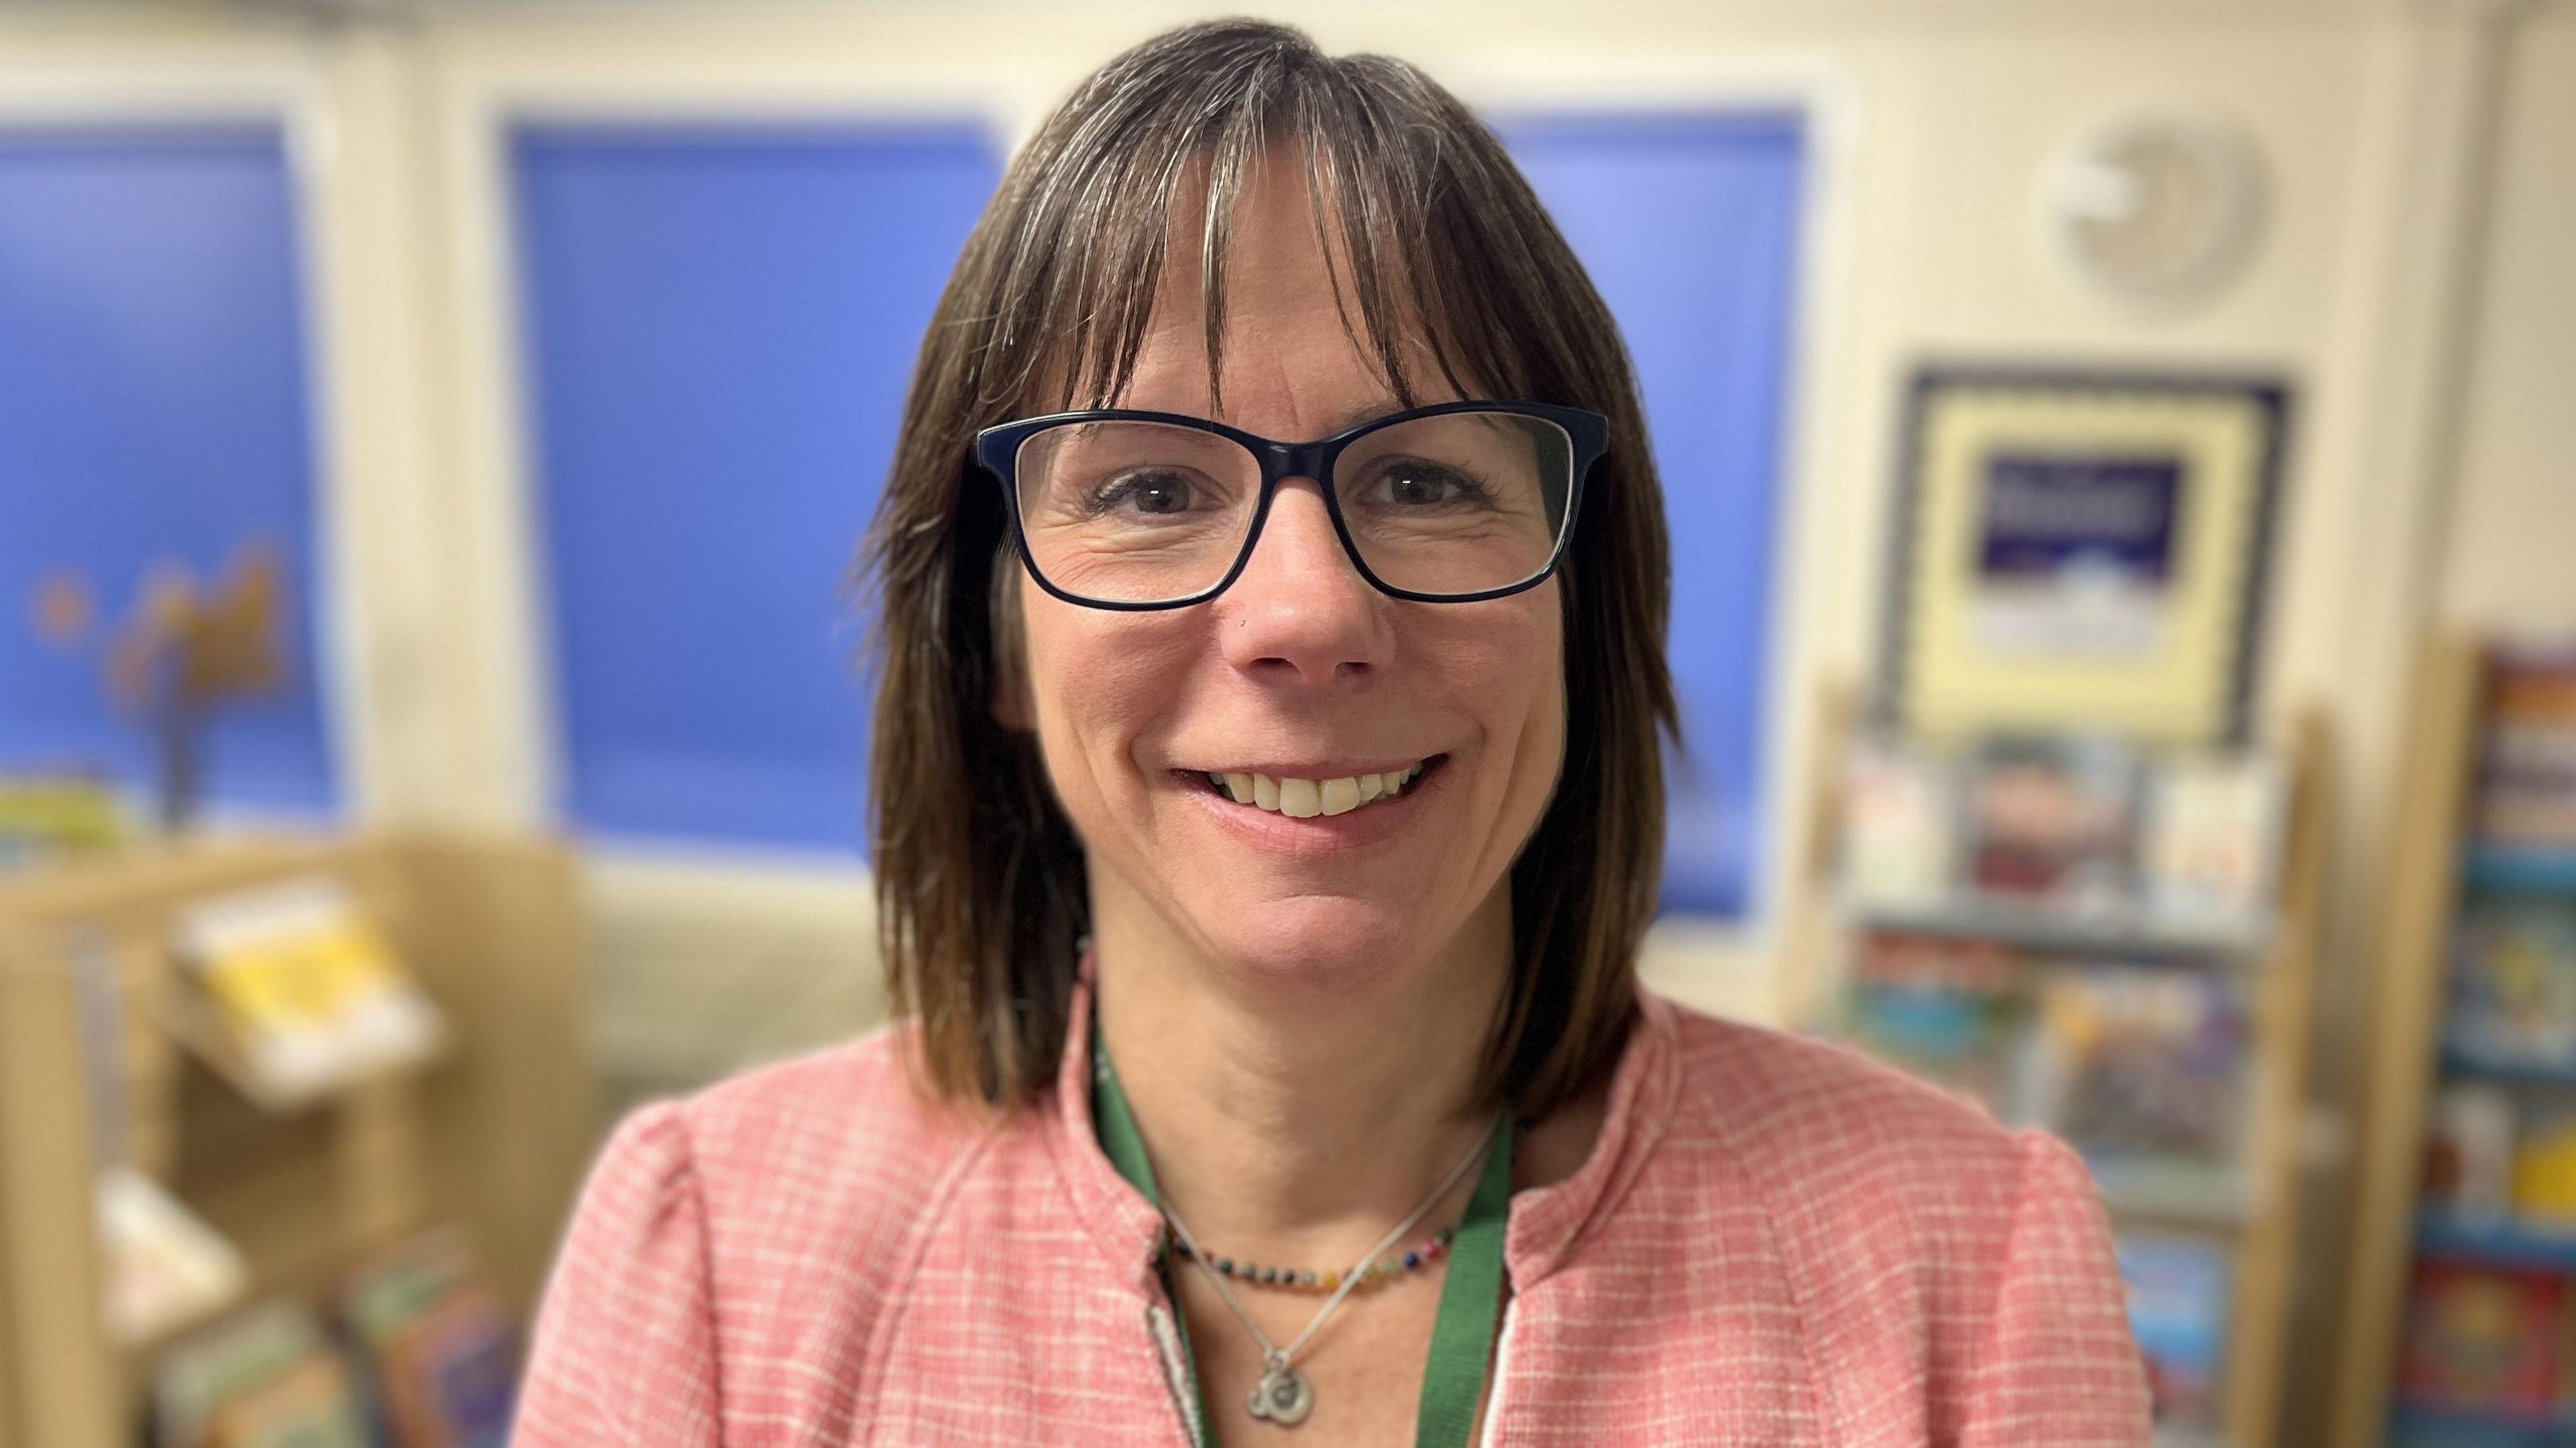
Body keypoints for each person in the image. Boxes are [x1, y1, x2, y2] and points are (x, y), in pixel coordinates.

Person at [511, 19, 2151, 1447]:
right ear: (992, 642)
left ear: (1583, 605)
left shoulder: (1968, 1265)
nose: (1305, 614)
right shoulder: (711, 1255)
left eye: (1427, 478)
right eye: (1150, 487)